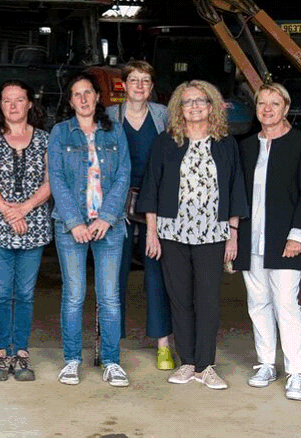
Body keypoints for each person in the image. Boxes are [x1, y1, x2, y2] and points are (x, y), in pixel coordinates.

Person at [137, 80, 247, 390]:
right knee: (180, 298)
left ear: (212, 106)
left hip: (213, 234)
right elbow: (152, 188)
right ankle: (187, 362)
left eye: (201, 101)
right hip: (172, 233)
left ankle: (206, 365)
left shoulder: (226, 143)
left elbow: (235, 188)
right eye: (188, 102)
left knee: (208, 299)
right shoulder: (165, 142)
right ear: (178, 108)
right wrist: (152, 232)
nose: (195, 106)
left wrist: (233, 234)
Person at [230, 83, 301, 401]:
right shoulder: (246, 146)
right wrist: (233, 234)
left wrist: (298, 236)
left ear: (286, 107)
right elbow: (237, 192)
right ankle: (266, 363)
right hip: (251, 237)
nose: (267, 109)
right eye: (262, 103)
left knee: (286, 304)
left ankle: (297, 373)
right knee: (258, 304)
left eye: (275, 103)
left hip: (285, 239)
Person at [48, 71, 131, 388]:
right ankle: (71, 360)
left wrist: (107, 217)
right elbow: (56, 178)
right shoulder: (60, 133)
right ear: (70, 101)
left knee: (109, 297)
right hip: (72, 227)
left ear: (98, 98)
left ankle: (111, 361)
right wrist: (74, 222)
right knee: (74, 295)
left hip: (108, 227)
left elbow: (123, 175)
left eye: (88, 93)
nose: (83, 99)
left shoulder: (115, 132)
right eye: (76, 94)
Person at [0, 80, 52, 382]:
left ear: (30, 103)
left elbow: (50, 181)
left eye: (19, 99)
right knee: (1, 293)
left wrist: (25, 208)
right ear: (1, 105)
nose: (13, 105)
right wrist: (9, 210)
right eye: (7, 100)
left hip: (33, 226)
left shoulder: (45, 139)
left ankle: (20, 352)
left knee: (24, 293)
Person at [105, 60, 173, 370]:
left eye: (146, 80)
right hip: (117, 203)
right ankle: (111, 344)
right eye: (134, 80)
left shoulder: (162, 115)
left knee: (156, 274)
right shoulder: (109, 115)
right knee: (113, 274)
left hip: (154, 204)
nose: (140, 86)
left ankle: (163, 344)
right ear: (124, 84)